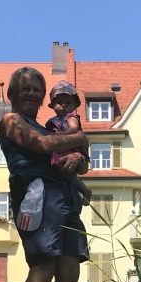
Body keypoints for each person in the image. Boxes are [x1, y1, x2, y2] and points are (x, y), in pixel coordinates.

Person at [0, 67, 90, 282]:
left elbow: (78, 163)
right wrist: (79, 139)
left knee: (69, 273)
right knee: (43, 268)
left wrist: (77, 157)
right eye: (25, 88)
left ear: (42, 98)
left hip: (66, 199)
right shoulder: (11, 121)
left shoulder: (50, 128)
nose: (31, 93)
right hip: (36, 198)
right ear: (13, 93)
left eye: (36, 89)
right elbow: (41, 146)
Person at [45, 80, 93, 208]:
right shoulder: (53, 120)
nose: (63, 105)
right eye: (59, 102)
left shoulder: (71, 117)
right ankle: (84, 191)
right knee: (68, 176)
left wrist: (60, 134)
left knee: (70, 174)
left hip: (73, 148)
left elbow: (74, 129)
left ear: (75, 105)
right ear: (52, 105)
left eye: (68, 103)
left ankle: (85, 191)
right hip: (61, 150)